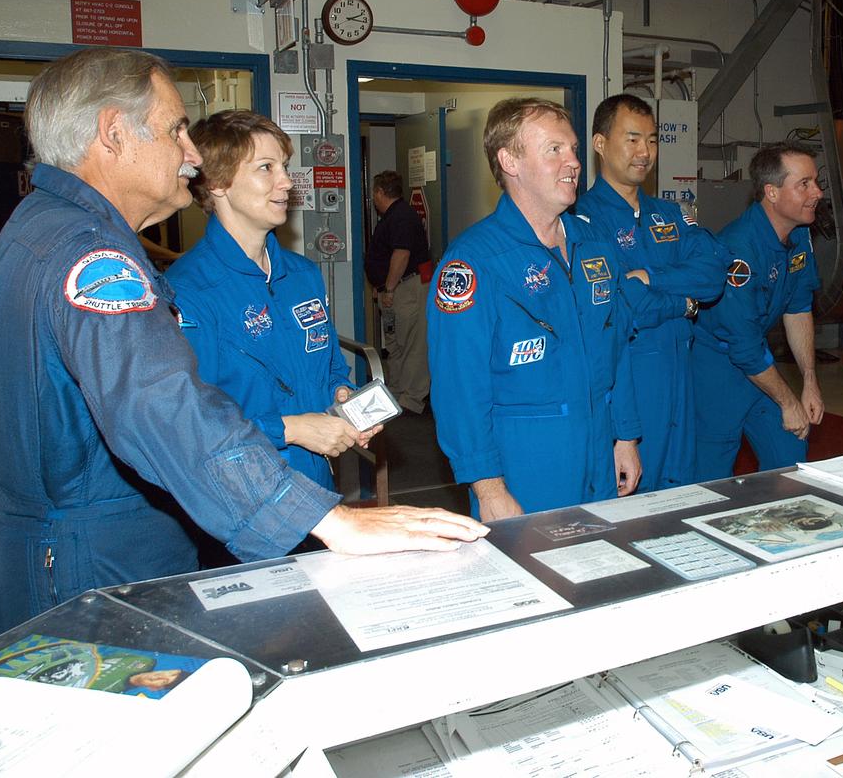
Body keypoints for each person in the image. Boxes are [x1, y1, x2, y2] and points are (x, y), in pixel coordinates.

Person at [0, 48, 486, 637]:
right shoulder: (93, 258)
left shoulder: (37, 227)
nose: (190, 154)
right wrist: (331, 519)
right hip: (90, 562)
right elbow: (163, 406)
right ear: (114, 134)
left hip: (86, 549)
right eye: (174, 130)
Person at [427, 98, 642, 520]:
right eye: (555, 150)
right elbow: (459, 391)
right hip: (525, 466)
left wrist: (626, 437)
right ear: (510, 161)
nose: (574, 162)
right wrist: (488, 489)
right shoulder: (473, 263)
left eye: (574, 149)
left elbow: (617, 345)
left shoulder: (593, 244)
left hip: (598, 450)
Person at [166, 110, 374, 494]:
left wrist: (340, 396)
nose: (286, 182)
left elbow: (329, 366)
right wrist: (291, 429)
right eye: (266, 168)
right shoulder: (189, 290)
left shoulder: (302, 275)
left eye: (284, 166)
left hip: (315, 488)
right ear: (217, 183)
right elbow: (190, 423)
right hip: (240, 493)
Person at [574, 94, 728, 490]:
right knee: (631, 506)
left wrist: (655, 277)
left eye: (653, 140)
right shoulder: (582, 221)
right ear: (600, 144)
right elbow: (628, 304)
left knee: (680, 500)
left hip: (681, 379)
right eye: (632, 139)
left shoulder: (670, 214)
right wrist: (686, 303)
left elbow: (713, 274)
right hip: (631, 380)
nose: (645, 152)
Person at [691, 142, 825, 481]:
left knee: (790, 454)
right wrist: (788, 401)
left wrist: (809, 381)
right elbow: (744, 347)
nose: (818, 193)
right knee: (712, 476)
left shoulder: (799, 235)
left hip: (758, 361)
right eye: (804, 184)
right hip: (715, 370)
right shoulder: (740, 249)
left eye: (816, 182)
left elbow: (797, 307)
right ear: (772, 193)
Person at [364, 170, 431, 414]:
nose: (373, 198)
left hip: (405, 290)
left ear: (381, 192)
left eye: (374, 193)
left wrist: (389, 288)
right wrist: (380, 287)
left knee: (413, 344)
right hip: (393, 290)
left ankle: (411, 399)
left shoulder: (402, 216)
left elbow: (401, 255)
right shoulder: (392, 217)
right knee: (395, 343)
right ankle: (396, 392)